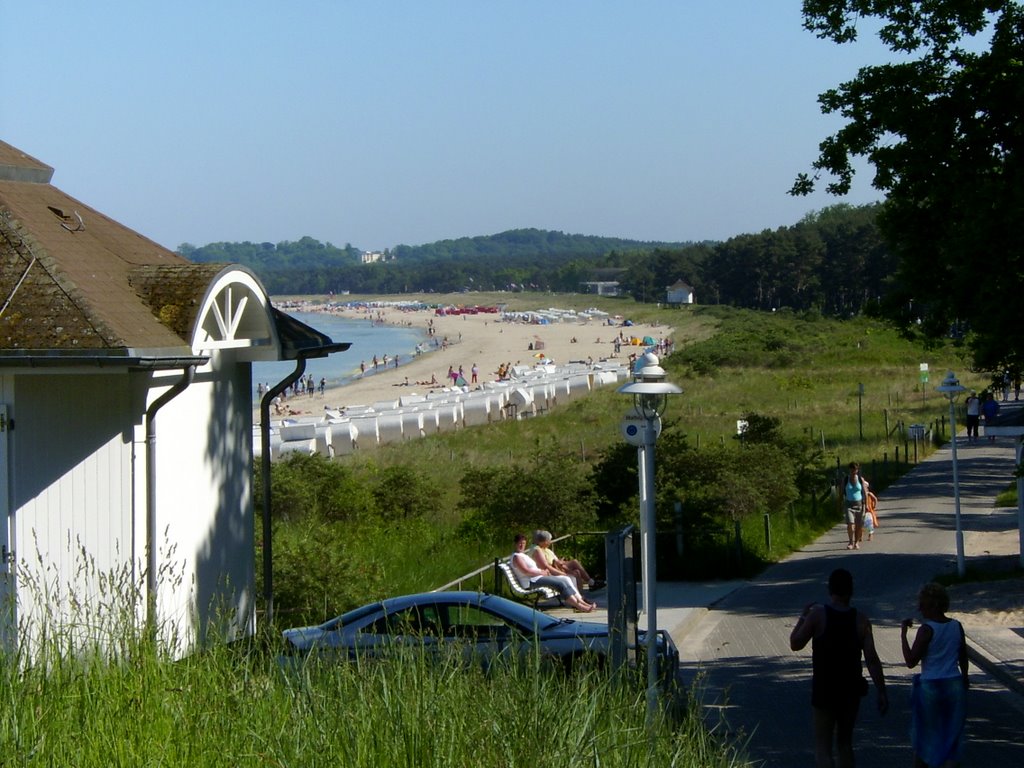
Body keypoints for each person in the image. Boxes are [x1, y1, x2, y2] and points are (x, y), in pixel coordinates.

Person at [790, 568, 888, 768]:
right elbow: (872, 659)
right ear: (851, 591)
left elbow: (796, 643)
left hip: (825, 688)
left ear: (830, 590)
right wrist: (882, 690)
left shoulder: (818, 615)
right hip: (851, 689)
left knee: (823, 748)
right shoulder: (861, 620)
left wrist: (802, 616)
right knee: (845, 743)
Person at [901, 582, 969, 768]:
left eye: (923, 605)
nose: (920, 609)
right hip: (953, 683)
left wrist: (903, 634)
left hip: (930, 685)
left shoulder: (927, 630)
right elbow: (963, 656)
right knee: (951, 737)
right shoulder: (956, 626)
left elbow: (910, 661)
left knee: (925, 737)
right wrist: (965, 679)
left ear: (934, 605)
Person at [509, 534, 595, 612]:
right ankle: (580, 606)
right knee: (560, 583)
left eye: (523, 544)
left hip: (536, 578)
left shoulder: (522, 555)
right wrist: (541, 572)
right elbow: (526, 571)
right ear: (515, 544)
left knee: (564, 579)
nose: (522, 546)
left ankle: (581, 601)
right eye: (520, 543)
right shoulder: (517, 557)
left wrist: (542, 572)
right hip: (531, 581)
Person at [527, 530, 605, 592]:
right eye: (549, 540)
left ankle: (582, 596)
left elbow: (555, 561)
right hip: (552, 570)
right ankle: (586, 590)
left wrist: (560, 564)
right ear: (544, 541)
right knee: (575, 570)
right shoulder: (537, 550)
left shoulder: (546, 550)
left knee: (575, 567)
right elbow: (546, 565)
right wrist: (563, 571)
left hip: (557, 566)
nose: (550, 542)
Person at [843, 463, 870, 550]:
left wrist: (866, 505)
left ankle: (856, 542)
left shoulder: (860, 479)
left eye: (855, 469)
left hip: (859, 504)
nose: (854, 471)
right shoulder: (846, 479)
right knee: (850, 524)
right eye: (852, 469)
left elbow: (865, 493)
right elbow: (841, 492)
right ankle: (850, 542)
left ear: (857, 470)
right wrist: (839, 504)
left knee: (858, 525)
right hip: (848, 505)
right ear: (849, 469)